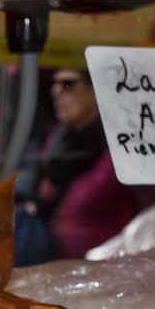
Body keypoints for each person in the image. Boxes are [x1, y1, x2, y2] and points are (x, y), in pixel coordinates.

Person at [15, 68, 146, 264]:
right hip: (54, 262)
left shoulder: (123, 146)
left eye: (68, 84)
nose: (56, 92)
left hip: (107, 266)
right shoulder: (55, 140)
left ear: (95, 91)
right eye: (54, 84)